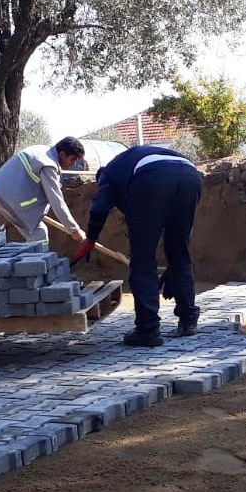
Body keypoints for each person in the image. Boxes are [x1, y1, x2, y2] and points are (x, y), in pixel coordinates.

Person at [72, 144, 202, 347]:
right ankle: (188, 320)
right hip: (189, 175)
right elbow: (182, 234)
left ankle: (147, 330)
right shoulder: (130, 161)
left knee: (142, 259)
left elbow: (99, 207)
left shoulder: (108, 174)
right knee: (180, 253)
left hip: (152, 178)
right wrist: (174, 265)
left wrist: (91, 239)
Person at [0, 136, 88, 246]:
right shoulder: (49, 165)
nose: (74, 164)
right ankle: (36, 263)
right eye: (73, 159)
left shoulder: (39, 150)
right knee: (39, 236)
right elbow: (56, 200)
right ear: (62, 154)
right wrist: (74, 229)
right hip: (8, 202)